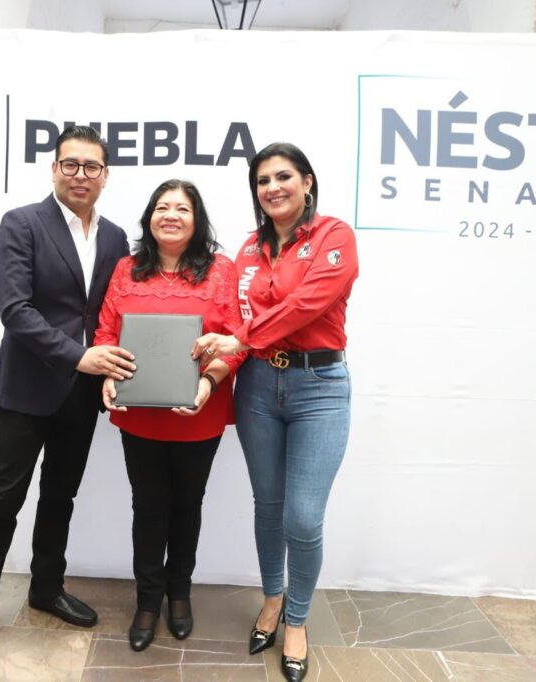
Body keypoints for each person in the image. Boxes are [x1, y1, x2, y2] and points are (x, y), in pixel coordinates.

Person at [0, 126, 136, 669]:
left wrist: (111, 367)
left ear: (105, 176)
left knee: (60, 496)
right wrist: (78, 356)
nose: (81, 175)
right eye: (70, 164)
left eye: (91, 167)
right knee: (3, 497)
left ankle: (46, 588)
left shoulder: (115, 238)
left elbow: (112, 312)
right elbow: (16, 310)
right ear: (54, 169)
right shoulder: (22, 223)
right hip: (28, 386)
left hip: (81, 394)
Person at [191, 143, 358, 682]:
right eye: (262, 180)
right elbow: (227, 313)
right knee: (268, 505)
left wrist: (237, 338)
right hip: (259, 385)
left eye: (283, 176)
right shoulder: (247, 250)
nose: (272, 188)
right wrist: (205, 351)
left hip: (319, 387)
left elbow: (305, 305)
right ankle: (271, 599)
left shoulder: (333, 236)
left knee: (302, 518)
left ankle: (298, 620)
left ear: (307, 182)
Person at [94, 179, 245, 652]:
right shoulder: (126, 269)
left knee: (187, 505)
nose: (171, 215)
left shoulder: (221, 270)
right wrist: (108, 374)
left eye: (182, 208)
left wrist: (209, 382)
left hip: (199, 411)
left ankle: (179, 593)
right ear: (150, 218)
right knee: (147, 507)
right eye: (162, 207)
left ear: (197, 220)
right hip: (139, 415)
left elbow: (239, 340)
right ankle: (147, 600)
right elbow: (106, 331)